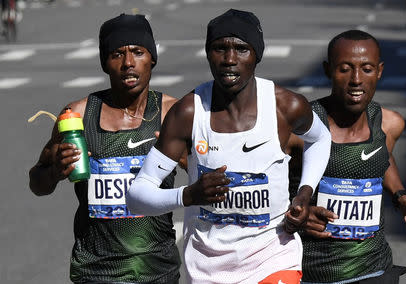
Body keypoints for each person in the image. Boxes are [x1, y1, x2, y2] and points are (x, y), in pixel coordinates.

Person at [126, 8, 331, 284]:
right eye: (219, 49)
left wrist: (304, 194)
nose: (229, 59)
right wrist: (188, 195)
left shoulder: (286, 106)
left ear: (256, 55)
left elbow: (320, 138)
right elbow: (137, 195)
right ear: (208, 53)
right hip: (207, 268)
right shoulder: (189, 112)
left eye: (241, 49)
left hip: (273, 258)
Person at [28, 13, 182, 284]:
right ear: (105, 63)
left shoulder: (173, 113)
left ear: (152, 58)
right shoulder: (76, 115)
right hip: (95, 272)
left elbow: (211, 177)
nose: (128, 63)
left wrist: (188, 161)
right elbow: (37, 182)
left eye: (138, 52)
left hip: (158, 271)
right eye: (117, 54)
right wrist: (54, 170)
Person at [298, 30, 406, 284]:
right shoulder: (302, 126)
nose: (356, 79)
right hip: (310, 273)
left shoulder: (389, 123)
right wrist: (297, 214)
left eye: (367, 69)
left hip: (373, 269)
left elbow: (383, 157)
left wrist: (402, 199)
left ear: (379, 71)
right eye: (345, 69)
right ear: (328, 70)